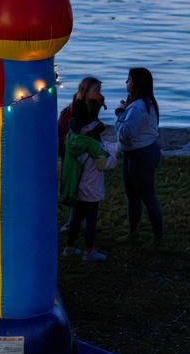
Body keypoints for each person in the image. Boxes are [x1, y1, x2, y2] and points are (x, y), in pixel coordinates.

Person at [60, 101, 118, 262]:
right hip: (91, 188)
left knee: (76, 219)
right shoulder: (92, 146)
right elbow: (104, 165)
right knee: (91, 220)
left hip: (76, 186)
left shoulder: (72, 140)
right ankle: (89, 251)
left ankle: (69, 248)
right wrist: (113, 148)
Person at [116, 66, 163, 246]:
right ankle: (134, 232)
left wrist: (120, 114)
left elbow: (126, 133)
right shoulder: (147, 103)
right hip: (140, 152)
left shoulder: (137, 107)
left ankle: (157, 236)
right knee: (134, 195)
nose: (126, 83)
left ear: (135, 83)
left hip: (140, 155)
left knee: (146, 196)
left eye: (128, 80)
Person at [58, 76, 105, 160]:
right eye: (96, 90)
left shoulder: (90, 103)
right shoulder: (79, 107)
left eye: (99, 90)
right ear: (85, 92)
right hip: (69, 144)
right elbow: (86, 125)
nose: (99, 94)